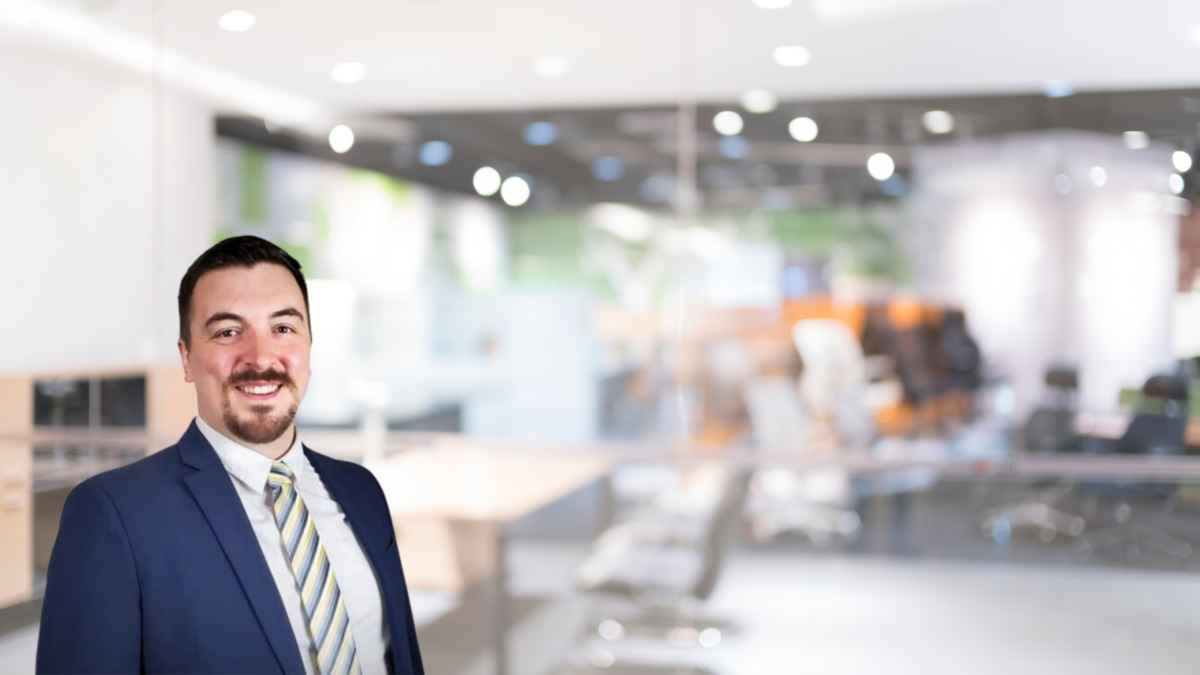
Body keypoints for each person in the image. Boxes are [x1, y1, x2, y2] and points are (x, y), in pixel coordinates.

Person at [36, 236, 424, 675]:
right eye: (227, 332)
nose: (260, 357)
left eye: (283, 328)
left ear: (309, 347)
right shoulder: (114, 515)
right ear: (187, 358)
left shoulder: (362, 491)